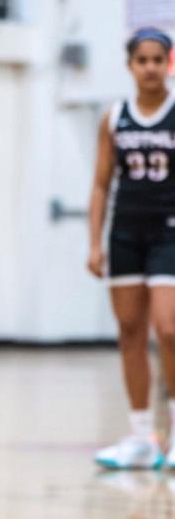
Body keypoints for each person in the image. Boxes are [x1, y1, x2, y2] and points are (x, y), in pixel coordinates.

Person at [88, 27, 175, 469]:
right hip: (125, 233)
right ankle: (142, 437)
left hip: (169, 232)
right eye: (142, 60)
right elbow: (102, 183)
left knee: (169, 329)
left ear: (169, 63)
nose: (150, 67)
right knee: (130, 334)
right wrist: (94, 242)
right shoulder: (114, 116)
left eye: (157, 59)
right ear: (130, 66)